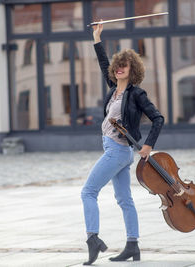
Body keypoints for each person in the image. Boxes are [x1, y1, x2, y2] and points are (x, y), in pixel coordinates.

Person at [80, 22, 164, 265]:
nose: (118, 68)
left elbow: (158, 118)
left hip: (119, 151)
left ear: (132, 69)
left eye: (124, 65)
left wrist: (148, 145)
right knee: (124, 200)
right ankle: (132, 246)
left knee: (88, 192)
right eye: (117, 65)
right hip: (116, 150)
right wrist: (97, 38)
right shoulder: (113, 90)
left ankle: (92, 239)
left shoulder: (136, 94)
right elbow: (103, 63)